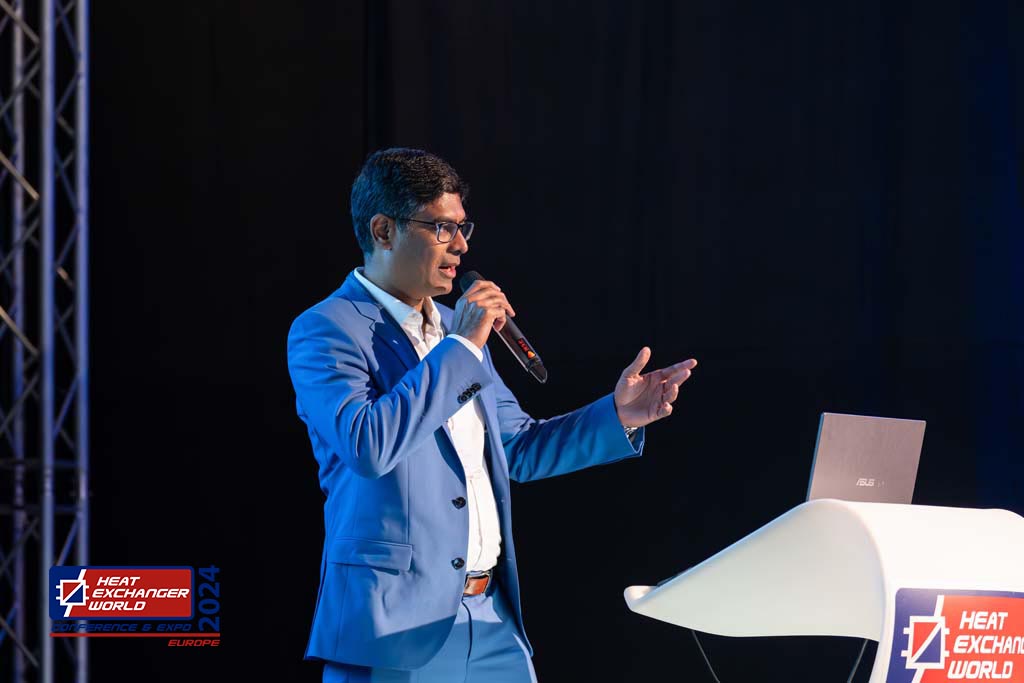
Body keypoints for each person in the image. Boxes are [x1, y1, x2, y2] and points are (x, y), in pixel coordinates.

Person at [287, 148, 697, 682]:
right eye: (441, 228)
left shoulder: (458, 328)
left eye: (462, 228)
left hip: (492, 621)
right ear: (384, 231)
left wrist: (619, 415)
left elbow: (516, 448)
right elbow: (368, 445)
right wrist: (460, 347)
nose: (460, 245)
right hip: (394, 626)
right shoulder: (328, 329)